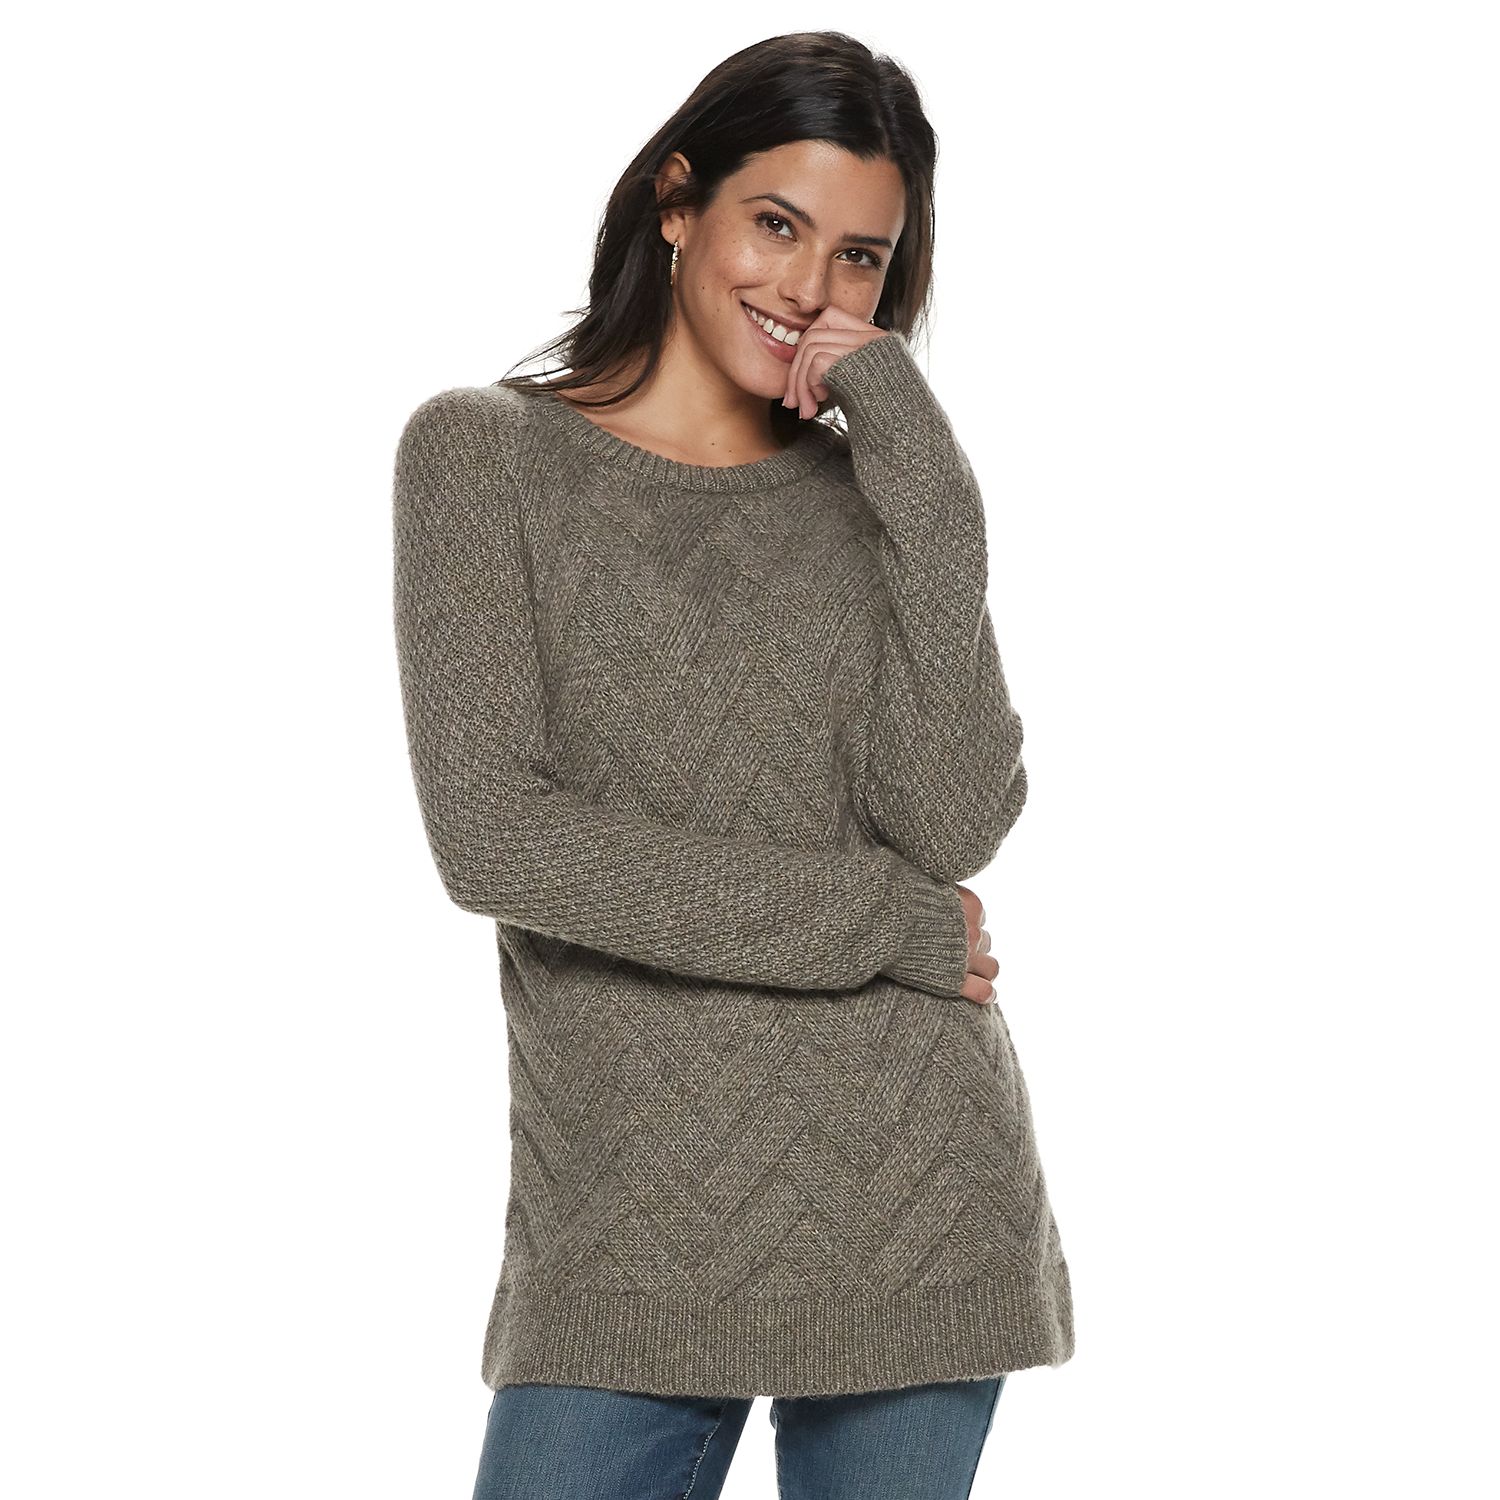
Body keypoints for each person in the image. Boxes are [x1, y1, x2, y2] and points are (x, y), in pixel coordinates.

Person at [392, 29, 1074, 1500]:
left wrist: (925, 478)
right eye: (777, 224)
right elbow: (499, 839)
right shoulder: (482, 456)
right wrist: (880, 924)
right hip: (626, 1222)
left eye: (861, 258)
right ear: (677, 202)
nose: (811, 289)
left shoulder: (874, 491)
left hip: (915, 1198)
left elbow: (951, 816)